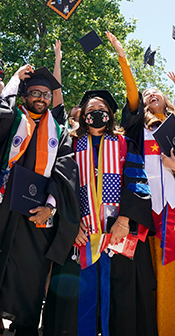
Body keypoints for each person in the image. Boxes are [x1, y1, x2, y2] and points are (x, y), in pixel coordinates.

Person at [0, 62, 78, 336]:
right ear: (24, 96)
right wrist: (13, 79)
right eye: (35, 92)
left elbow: (65, 172)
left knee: (29, 279)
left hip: (35, 219)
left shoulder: (60, 132)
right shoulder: (11, 121)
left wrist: (51, 208)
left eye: (46, 94)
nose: (41, 98)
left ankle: (26, 328)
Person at [43, 89, 155, 336]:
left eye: (102, 110)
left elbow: (137, 181)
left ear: (110, 115)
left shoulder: (125, 143)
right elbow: (61, 187)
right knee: (78, 297)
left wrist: (124, 221)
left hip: (117, 235)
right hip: (80, 236)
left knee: (117, 296)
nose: (96, 114)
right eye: (91, 110)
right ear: (83, 115)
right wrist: (71, 225)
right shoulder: (70, 144)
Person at [108, 31, 175, 336]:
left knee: (172, 271)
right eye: (147, 95)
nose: (150, 95)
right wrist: (123, 58)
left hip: (174, 207)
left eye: (155, 92)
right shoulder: (135, 130)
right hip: (144, 208)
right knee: (144, 271)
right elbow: (131, 96)